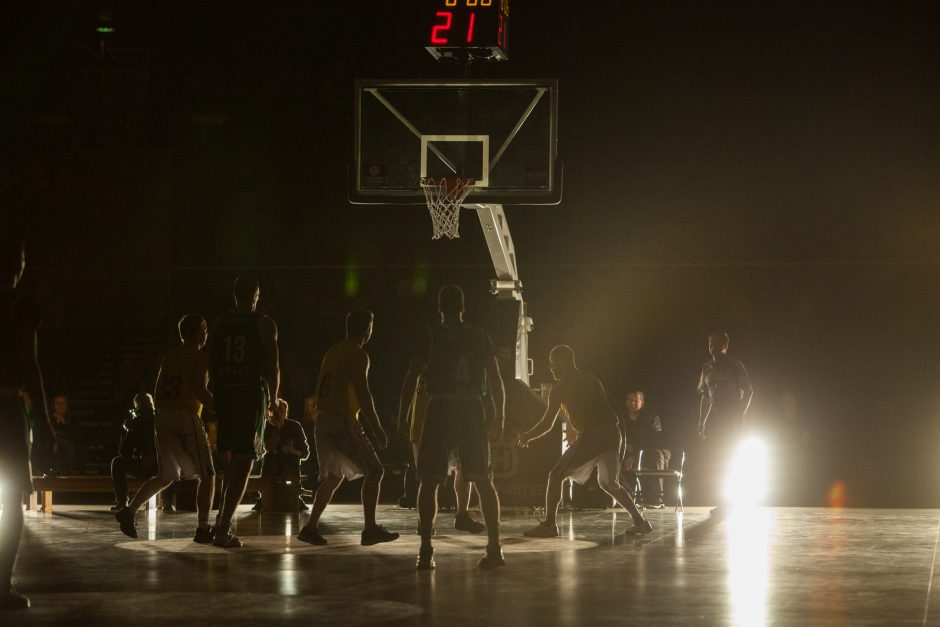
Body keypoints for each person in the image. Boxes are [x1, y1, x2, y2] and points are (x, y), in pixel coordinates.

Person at [402, 285, 506, 570]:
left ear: (439, 308)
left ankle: (425, 550)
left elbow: (412, 375)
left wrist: (403, 414)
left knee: (430, 480)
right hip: (471, 407)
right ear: (463, 308)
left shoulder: (431, 335)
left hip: (441, 407)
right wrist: (499, 413)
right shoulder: (477, 334)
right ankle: (494, 549)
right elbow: (496, 378)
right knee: (484, 480)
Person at [518, 346, 652, 538]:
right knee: (609, 484)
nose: (550, 368)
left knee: (556, 476)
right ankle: (641, 522)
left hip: (596, 433)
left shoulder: (560, 388)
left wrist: (526, 436)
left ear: (564, 363)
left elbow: (548, 423)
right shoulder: (590, 378)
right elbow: (596, 409)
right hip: (612, 433)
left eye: (553, 363)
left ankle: (549, 524)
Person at [296, 308, 399, 547]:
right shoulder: (357, 354)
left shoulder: (333, 351)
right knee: (375, 471)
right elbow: (364, 394)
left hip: (322, 420)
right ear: (367, 330)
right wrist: (377, 428)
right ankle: (370, 528)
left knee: (333, 476)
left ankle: (310, 528)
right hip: (341, 419)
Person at [115, 315, 216, 542]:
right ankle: (202, 528)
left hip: (162, 417)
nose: (207, 334)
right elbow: (200, 390)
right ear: (200, 332)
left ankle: (130, 511)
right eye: (205, 329)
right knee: (208, 475)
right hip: (184, 415)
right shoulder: (199, 356)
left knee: (166, 476)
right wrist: (223, 409)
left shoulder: (169, 357)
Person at [0, 227, 54, 610]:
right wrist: (46, 422)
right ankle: (2, 585)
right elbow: (29, 366)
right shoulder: (21, 305)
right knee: (13, 498)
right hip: (5, 407)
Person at [208, 276, 280, 548]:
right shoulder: (264, 323)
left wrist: (214, 392)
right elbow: (272, 366)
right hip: (250, 394)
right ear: (256, 295)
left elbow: (211, 361)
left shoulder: (219, 323)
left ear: (234, 294)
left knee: (234, 462)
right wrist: (273, 399)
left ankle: (221, 521)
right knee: (245, 461)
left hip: (226, 393)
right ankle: (224, 525)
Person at [399, 370, 486, 533]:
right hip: (436, 424)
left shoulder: (424, 366)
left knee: (436, 476)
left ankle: (433, 522)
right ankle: (450, 518)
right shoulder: (441, 367)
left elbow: (411, 394)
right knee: (439, 475)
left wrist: (405, 420)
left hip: (424, 425)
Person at [696, 332, 753, 506]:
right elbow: (704, 397)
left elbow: (749, 391)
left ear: (725, 345)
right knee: (715, 458)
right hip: (715, 416)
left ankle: (732, 498)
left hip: (732, 415)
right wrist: (701, 422)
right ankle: (721, 500)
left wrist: (740, 414)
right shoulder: (706, 368)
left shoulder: (735, 365)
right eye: (710, 343)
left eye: (717, 343)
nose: (712, 346)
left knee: (729, 456)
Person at [255, 399, 310, 511]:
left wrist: (291, 450)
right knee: (271, 458)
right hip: (273, 461)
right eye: (275, 411)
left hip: (291, 461)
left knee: (290, 460)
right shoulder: (266, 426)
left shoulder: (295, 426)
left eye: (281, 411)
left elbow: (305, 453)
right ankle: (264, 498)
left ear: (286, 412)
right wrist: (276, 430)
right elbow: (267, 448)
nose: (278, 414)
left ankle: (295, 496)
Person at [620, 390, 670, 509]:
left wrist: (635, 455)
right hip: (627, 450)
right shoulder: (620, 418)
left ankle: (655, 499)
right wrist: (626, 448)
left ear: (642, 402)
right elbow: (618, 436)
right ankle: (627, 497)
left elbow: (653, 440)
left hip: (650, 450)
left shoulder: (651, 417)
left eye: (636, 400)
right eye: (630, 399)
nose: (633, 402)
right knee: (610, 458)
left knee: (655, 455)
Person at [110, 393, 158, 512]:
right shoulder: (161, 419)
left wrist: (126, 430)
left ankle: (122, 501)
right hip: (162, 466)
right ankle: (168, 502)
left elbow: (124, 452)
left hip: (145, 467)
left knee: (117, 462)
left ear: (138, 406)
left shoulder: (136, 422)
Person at [49, 394, 78, 474]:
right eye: (57, 403)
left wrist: (63, 422)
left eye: (63, 403)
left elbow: (74, 434)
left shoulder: (73, 419)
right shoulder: (49, 418)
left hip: (68, 445)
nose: (60, 406)